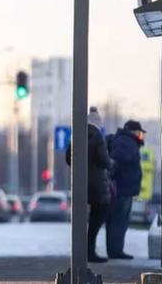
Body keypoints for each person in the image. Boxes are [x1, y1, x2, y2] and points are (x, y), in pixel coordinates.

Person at [66, 106, 115, 263]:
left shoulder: (77, 135)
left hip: (80, 184)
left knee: (80, 218)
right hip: (97, 185)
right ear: (98, 123)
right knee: (99, 214)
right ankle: (90, 251)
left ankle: (81, 251)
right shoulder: (98, 137)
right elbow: (104, 160)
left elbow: (68, 158)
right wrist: (111, 162)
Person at [106, 119, 145, 260]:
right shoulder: (126, 141)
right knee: (119, 221)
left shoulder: (123, 140)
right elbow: (121, 159)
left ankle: (114, 250)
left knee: (115, 220)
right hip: (123, 189)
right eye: (138, 132)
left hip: (121, 188)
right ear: (133, 131)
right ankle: (116, 251)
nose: (140, 136)